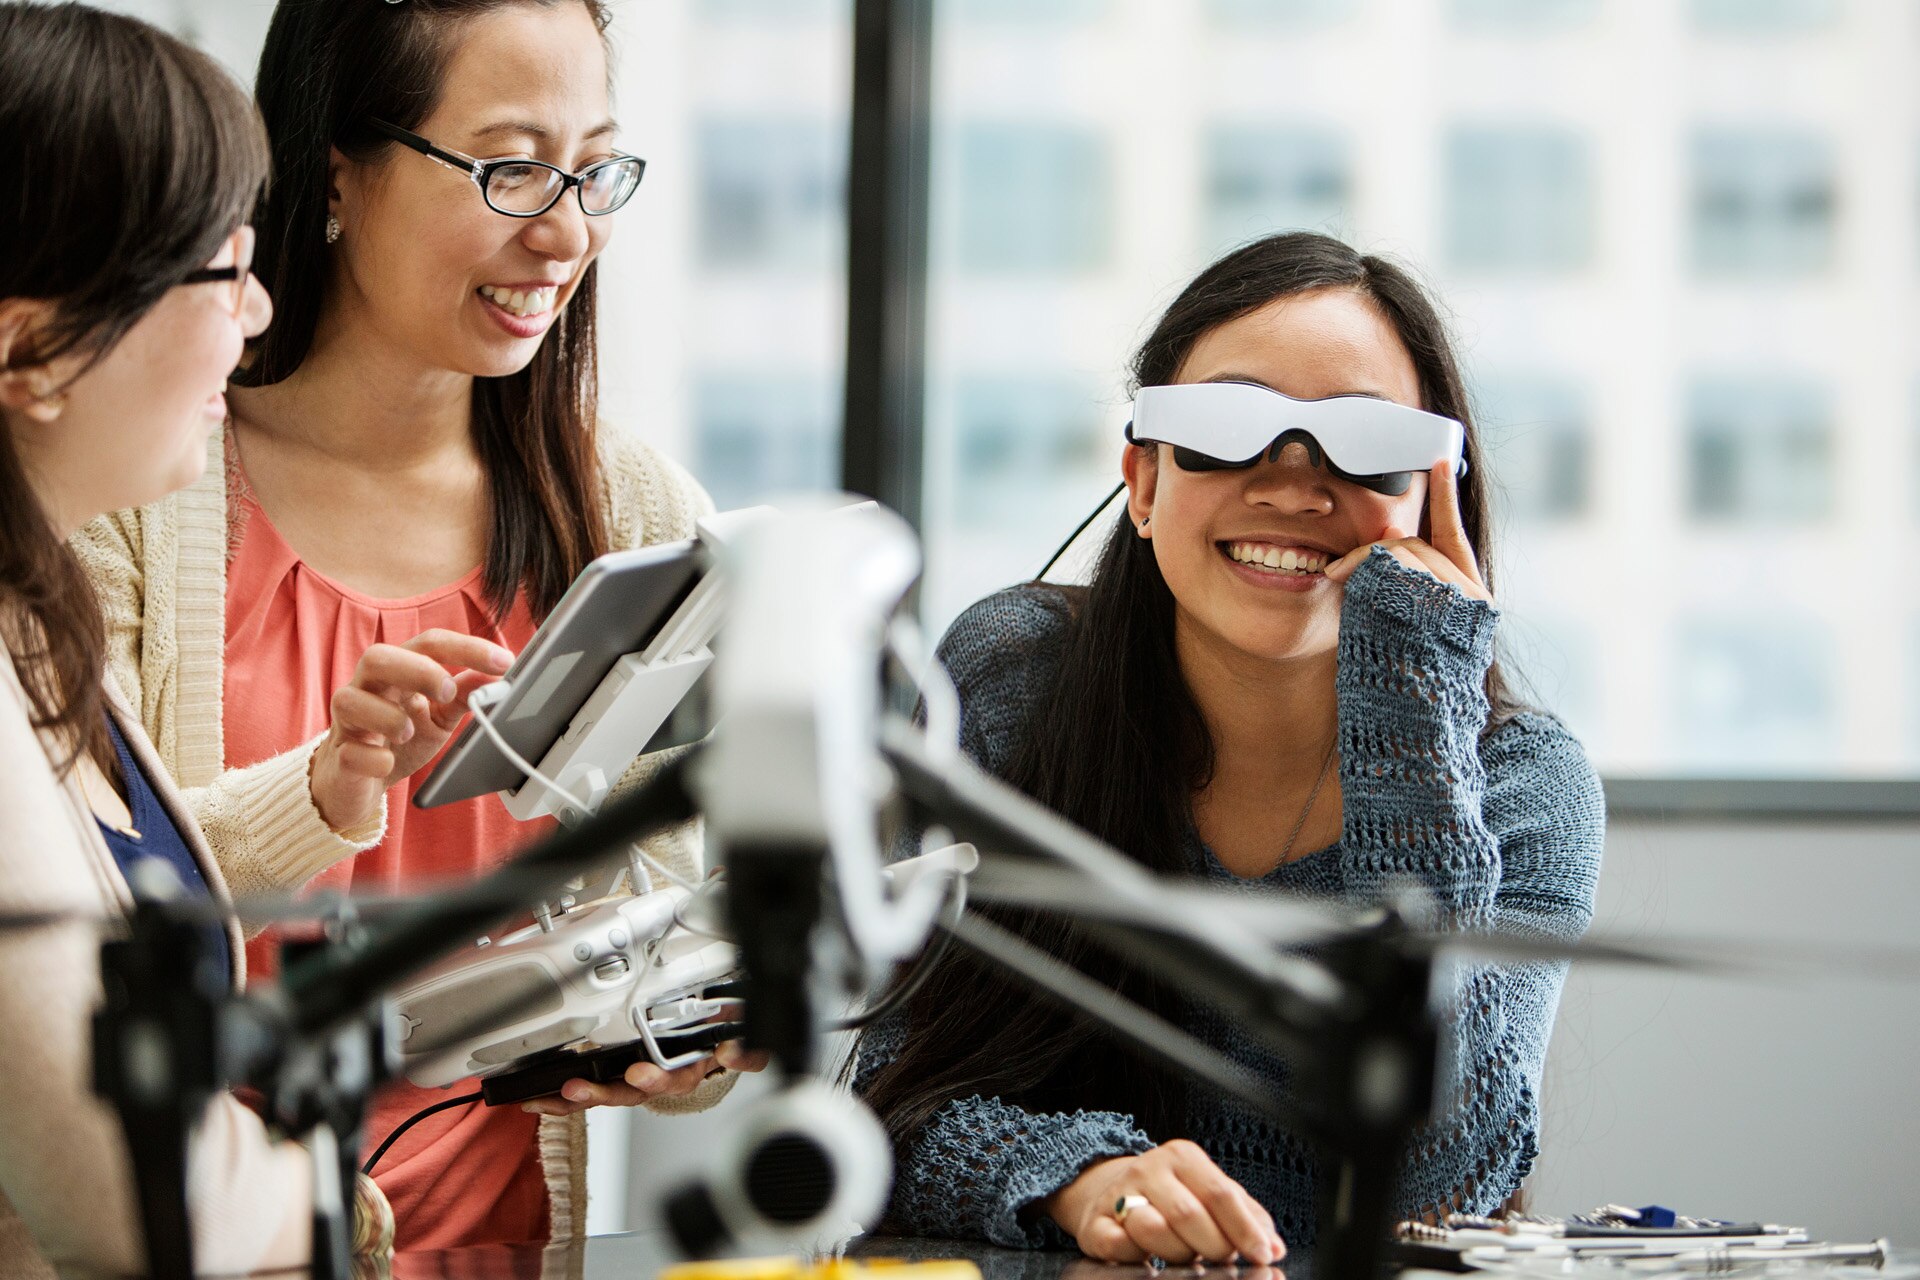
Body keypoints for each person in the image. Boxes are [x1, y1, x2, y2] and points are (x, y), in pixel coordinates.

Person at [71, 0, 757, 1250]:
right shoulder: (130, 490)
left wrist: (687, 1026)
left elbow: (687, 891)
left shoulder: (632, 510)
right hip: (202, 1244)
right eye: (509, 168)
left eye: (593, 169)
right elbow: (84, 912)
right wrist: (326, 787)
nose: (567, 231)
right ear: (340, 168)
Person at [854, 231, 1605, 1264]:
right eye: (1224, 426)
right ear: (1143, 479)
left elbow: (1445, 1186)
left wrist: (1418, 700)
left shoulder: (1528, 784)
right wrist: (1084, 1178)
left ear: (1438, 491)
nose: (1294, 484)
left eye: (1367, 441)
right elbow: (882, 1112)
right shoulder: (1015, 675)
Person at [0, 4, 392, 1273]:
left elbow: (98, 897)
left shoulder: (38, 604)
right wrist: (322, 1192)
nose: (262, 311)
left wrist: (323, 791)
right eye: (223, 268)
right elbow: (132, 1187)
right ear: (32, 347)